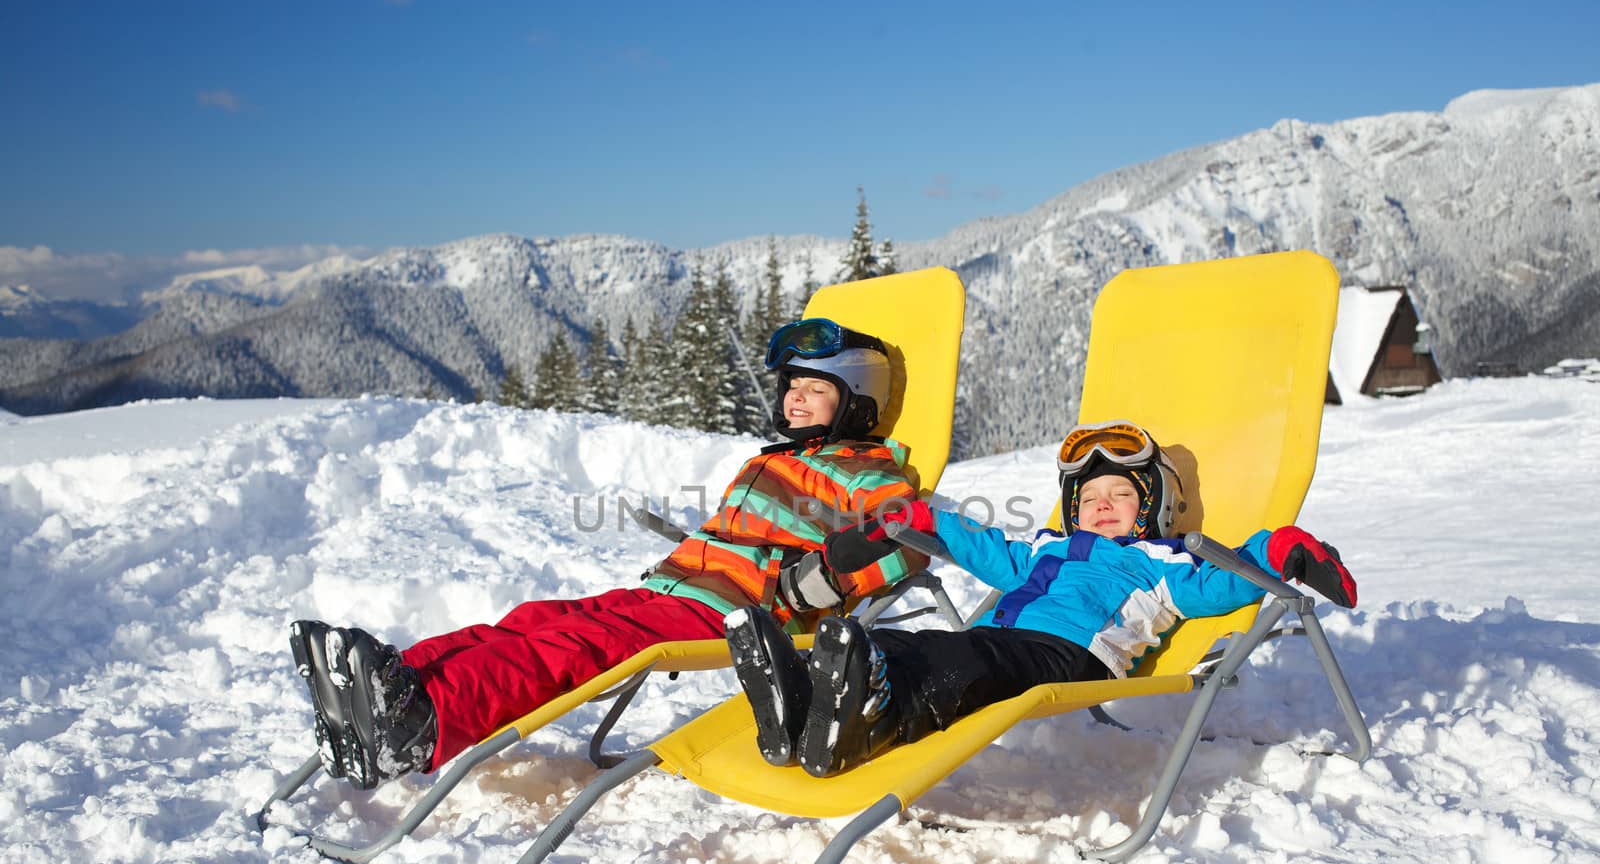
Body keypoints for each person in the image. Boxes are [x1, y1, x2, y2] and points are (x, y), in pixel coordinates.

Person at [291, 318, 930, 790]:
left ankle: (426, 719)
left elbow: (904, 537)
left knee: (571, 649)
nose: (794, 398)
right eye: (791, 386)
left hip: (737, 613)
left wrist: (805, 587)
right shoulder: (773, 461)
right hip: (674, 589)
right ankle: (392, 685)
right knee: (536, 620)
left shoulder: (868, 473)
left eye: (815, 389)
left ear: (858, 401)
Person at [724, 419, 1358, 777]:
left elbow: (1227, 581)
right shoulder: (1045, 549)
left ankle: (870, 724)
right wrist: (917, 518)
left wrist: (1281, 550)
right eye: (1089, 497)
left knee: (963, 668)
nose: (1100, 505)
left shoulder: (1167, 563)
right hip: (1000, 638)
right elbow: (984, 548)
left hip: (1069, 654)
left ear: (1153, 506)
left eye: (1120, 494)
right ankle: (800, 698)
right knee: (905, 643)